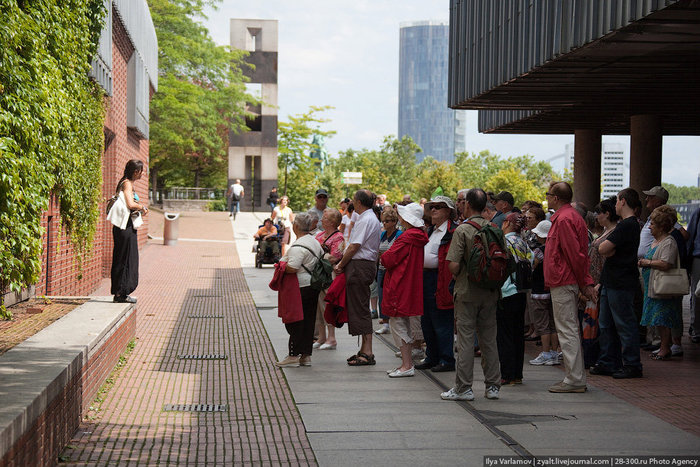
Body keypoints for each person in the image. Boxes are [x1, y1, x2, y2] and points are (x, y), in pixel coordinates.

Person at [442, 188, 502, 401]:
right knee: (489, 339)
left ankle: (464, 388)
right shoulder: (494, 228)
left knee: (466, 340)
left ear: (467, 204)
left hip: (467, 292)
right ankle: (493, 386)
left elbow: (454, 265)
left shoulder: (463, 230)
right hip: (490, 291)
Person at [544, 181, 596, 393]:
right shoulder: (569, 217)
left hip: (564, 280)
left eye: (548, 194)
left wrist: (585, 282)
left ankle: (574, 379)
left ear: (556, 198)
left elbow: (575, 254)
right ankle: (574, 377)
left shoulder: (564, 219)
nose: (546, 197)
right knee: (568, 329)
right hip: (564, 279)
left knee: (567, 329)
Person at [591, 188, 643, 379]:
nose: (614, 206)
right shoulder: (625, 225)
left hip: (621, 282)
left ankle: (632, 364)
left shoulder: (627, 225)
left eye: (616, 202)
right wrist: (609, 249)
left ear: (622, 201)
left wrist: (609, 248)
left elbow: (603, 247)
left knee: (624, 323)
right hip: (611, 280)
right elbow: (605, 248)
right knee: (606, 324)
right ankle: (608, 361)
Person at [380, 203, 429, 377]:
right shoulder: (419, 237)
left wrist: (383, 256)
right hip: (410, 283)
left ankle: (407, 365)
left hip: (399, 283)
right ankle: (406, 364)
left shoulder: (406, 238)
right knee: (404, 323)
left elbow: (388, 259)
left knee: (398, 324)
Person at [334, 189, 382, 366]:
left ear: (359, 202)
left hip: (360, 265)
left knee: (360, 307)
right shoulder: (369, 218)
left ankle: (367, 351)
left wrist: (340, 264)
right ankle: (364, 349)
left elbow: (354, 246)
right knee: (359, 305)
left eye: (355, 200)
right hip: (363, 265)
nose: (353, 202)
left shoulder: (366, 219)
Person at [275, 213, 324, 368]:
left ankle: (293, 355)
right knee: (308, 322)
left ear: (296, 226)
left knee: (295, 321)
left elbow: (292, 268)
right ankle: (305, 355)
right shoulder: (314, 242)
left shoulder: (298, 246)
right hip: (312, 287)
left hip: (300, 287)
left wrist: (281, 265)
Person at [416, 196, 458, 373]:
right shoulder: (431, 230)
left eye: (438, 207)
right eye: (432, 207)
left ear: (448, 211)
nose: (433, 210)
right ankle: (432, 356)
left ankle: (446, 359)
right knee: (426, 321)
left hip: (442, 278)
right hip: (427, 278)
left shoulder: (454, 231)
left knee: (442, 321)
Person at [639, 205, 683, 360]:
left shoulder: (668, 242)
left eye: (652, 224)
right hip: (653, 287)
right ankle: (663, 347)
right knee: (657, 319)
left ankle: (665, 347)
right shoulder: (657, 241)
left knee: (663, 318)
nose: (649, 227)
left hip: (662, 288)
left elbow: (666, 263)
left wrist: (647, 262)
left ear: (662, 226)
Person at [583, 197, 620, 367]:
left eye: (599, 213)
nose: (596, 216)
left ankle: (605, 357)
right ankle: (597, 356)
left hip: (601, 282)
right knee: (595, 321)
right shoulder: (605, 232)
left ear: (607, 213)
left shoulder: (615, 232)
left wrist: (598, 283)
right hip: (595, 280)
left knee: (602, 322)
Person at [498, 213, 532, 385]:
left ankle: (507, 373)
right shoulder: (523, 242)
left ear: (506, 223)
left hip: (506, 291)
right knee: (518, 333)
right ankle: (517, 374)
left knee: (505, 335)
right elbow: (533, 259)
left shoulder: (505, 242)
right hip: (521, 290)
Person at [110, 159, 148, 304]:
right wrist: (141, 207)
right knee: (125, 259)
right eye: (141, 171)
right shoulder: (126, 183)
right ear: (136, 171)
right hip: (124, 227)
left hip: (127, 226)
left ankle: (121, 292)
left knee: (126, 258)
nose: (142, 174)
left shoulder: (127, 183)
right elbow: (130, 204)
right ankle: (121, 293)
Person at [527, 220, 561, 366]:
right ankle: (554, 351)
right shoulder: (556, 249)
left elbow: (532, 268)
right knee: (553, 322)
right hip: (553, 289)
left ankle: (546, 352)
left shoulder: (538, 251)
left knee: (542, 324)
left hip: (539, 291)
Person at [313, 208, 345, 351]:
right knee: (318, 307)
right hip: (318, 276)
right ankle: (321, 337)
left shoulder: (338, 237)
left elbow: (335, 257)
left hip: (329, 277)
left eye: (325, 218)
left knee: (327, 306)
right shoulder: (319, 235)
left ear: (332, 222)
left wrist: (318, 255)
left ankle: (332, 338)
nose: (321, 220)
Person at [375, 207, 402, 335]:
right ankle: (385, 322)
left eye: (387, 221)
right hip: (381, 269)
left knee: (392, 296)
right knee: (382, 295)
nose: (384, 223)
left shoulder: (399, 235)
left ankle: (394, 321)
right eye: (383, 221)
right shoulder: (382, 234)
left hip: (393, 270)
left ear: (394, 221)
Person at [688, 205, 700, 343]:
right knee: (697, 294)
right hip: (698, 258)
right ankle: (696, 328)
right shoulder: (698, 211)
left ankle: (696, 329)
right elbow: (690, 236)